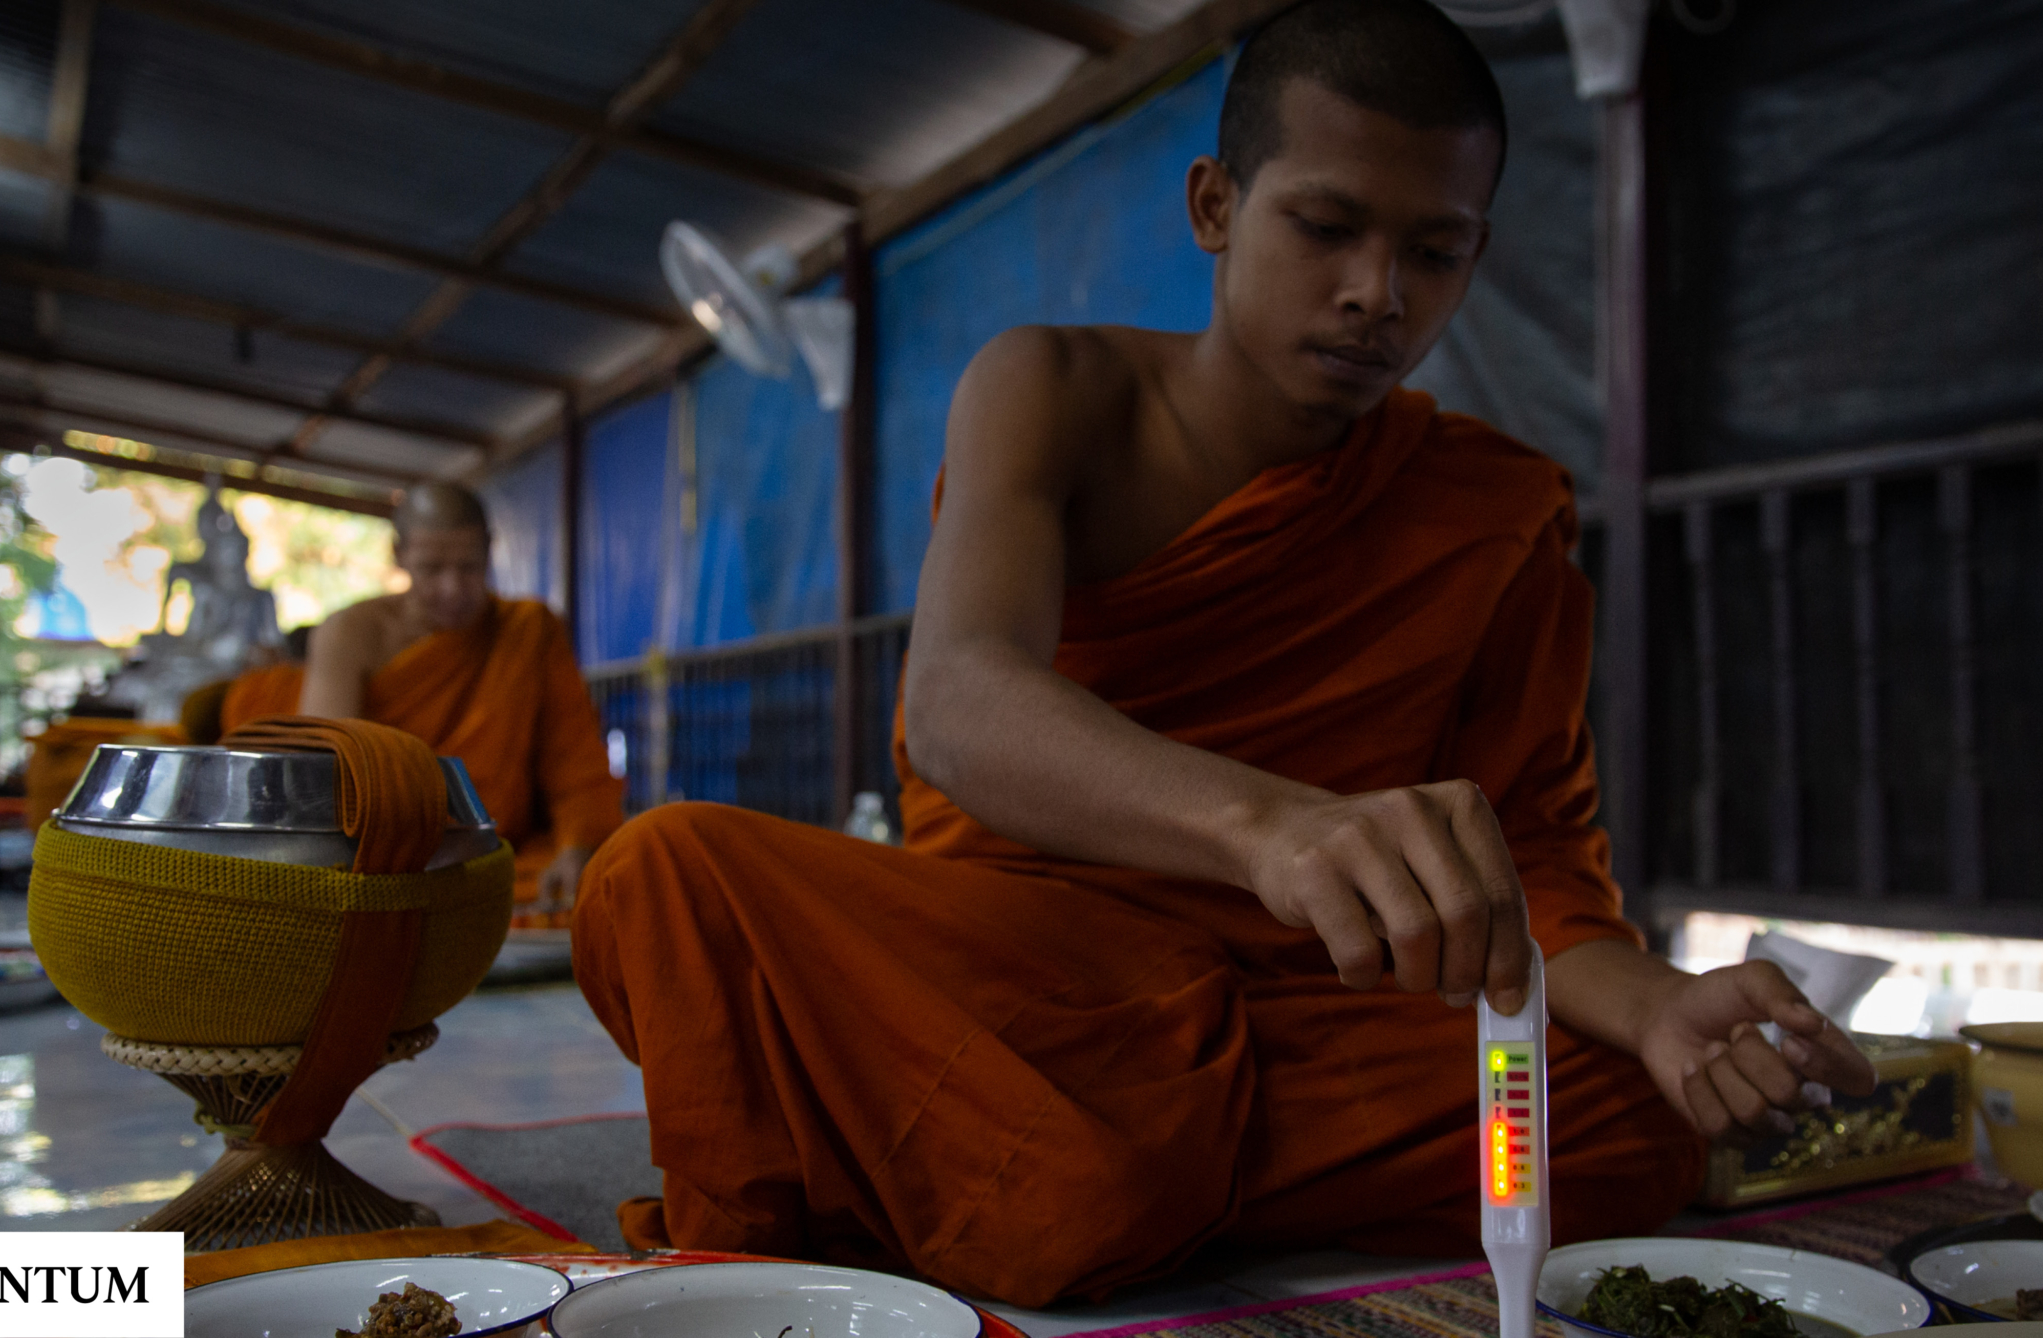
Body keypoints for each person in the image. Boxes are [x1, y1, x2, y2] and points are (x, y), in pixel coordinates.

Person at [570, 0, 1876, 1308]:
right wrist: (1271, 829)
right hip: (1038, 976)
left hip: (1300, 1008)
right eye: (1326, 227)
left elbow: (1523, 859)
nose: (1377, 293)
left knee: (1621, 1111)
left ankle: (1069, 1166)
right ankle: (1091, 1162)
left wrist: (1653, 1006)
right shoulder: (1053, 391)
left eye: (1433, 251)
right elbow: (961, 698)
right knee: (667, 873)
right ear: (1214, 205)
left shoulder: (1494, 508)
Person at [229, 482, 623, 917]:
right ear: (398, 555)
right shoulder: (352, 634)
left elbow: (574, 759)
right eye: (432, 569)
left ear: (490, 550)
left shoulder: (529, 630)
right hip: (389, 858)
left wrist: (577, 845)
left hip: (498, 853)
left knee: (600, 880)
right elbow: (322, 777)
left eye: (469, 568)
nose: (452, 588)